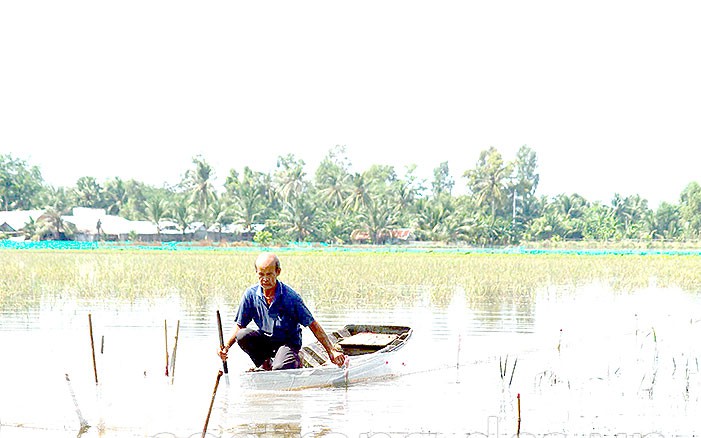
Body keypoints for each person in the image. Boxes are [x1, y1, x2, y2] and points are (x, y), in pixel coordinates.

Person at [218, 252, 346, 371]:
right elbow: (240, 325)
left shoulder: (291, 297)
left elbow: (312, 324)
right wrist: (226, 347)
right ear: (256, 273)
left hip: (287, 343)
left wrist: (331, 351)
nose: (265, 279)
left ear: (277, 272)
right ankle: (264, 364)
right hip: (265, 342)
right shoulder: (250, 295)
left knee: (279, 368)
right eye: (261, 275)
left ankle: (295, 359)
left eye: (269, 274)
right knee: (242, 334)